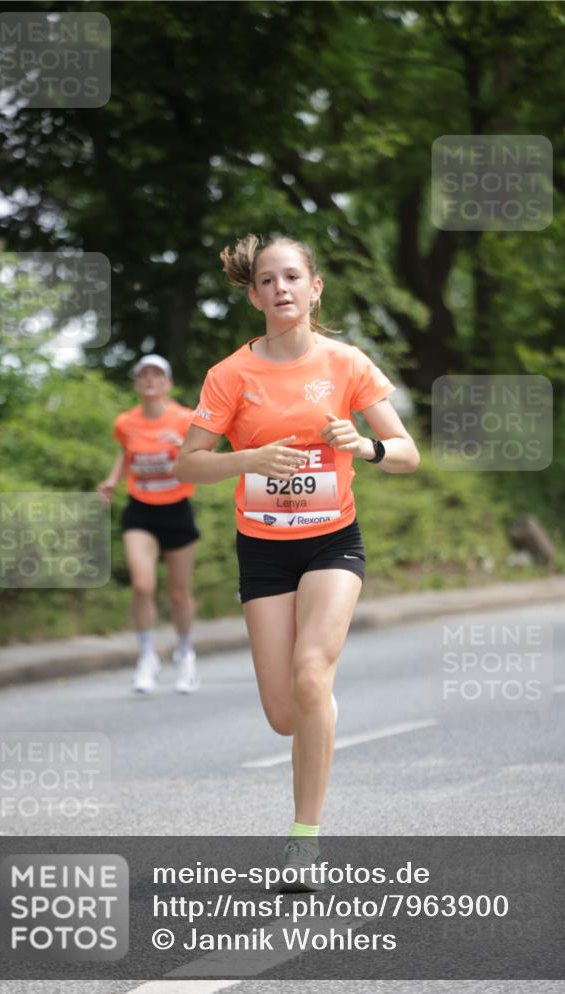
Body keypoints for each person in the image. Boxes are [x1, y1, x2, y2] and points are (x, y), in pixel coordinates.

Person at [174, 235, 420, 888]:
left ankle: (303, 840)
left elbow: (406, 452)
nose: (279, 288)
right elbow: (187, 463)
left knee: (311, 675)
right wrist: (245, 459)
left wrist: (364, 446)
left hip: (331, 540)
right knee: (285, 714)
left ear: (314, 288)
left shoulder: (345, 364)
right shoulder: (230, 375)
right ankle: (316, 712)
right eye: (265, 280)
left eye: (291, 277)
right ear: (252, 294)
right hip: (262, 550)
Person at [98, 354, 201, 695]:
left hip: (177, 510)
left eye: (157, 374)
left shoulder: (186, 419)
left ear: (168, 384)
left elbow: (205, 452)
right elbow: (126, 453)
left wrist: (184, 448)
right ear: (137, 383)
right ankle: (147, 656)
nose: (150, 380)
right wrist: (113, 481)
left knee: (178, 592)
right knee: (142, 586)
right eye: (144, 375)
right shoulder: (126, 422)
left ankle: (185, 653)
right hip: (140, 510)